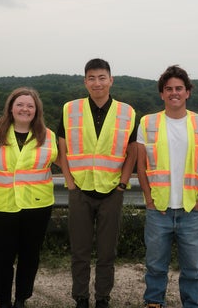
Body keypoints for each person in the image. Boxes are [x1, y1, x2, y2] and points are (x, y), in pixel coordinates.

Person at [57, 58, 137, 308]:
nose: (97, 82)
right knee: (79, 251)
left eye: (102, 77)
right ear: (85, 82)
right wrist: (69, 182)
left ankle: (103, 297)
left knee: (107, 252)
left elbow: (132, 150)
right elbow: (62, 146)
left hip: (112, 190)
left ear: (111, 80)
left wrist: (123, 184)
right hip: (79, 190)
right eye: (91, 78)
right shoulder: (71, 108)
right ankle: (80, 297)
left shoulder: (127, 112)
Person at [137, 65, 198, 308]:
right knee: (155, 266)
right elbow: (141, 166)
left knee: (193, 269)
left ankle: (192, 304)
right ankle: (154, 303)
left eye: (179, 88)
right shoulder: (148, 122)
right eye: (169, 89)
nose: (174, 93)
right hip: (158, 209)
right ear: (162, 94)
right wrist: (149, 200)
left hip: (191, 210)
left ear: (188, 92)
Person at [0, 87, 58, 308]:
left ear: (36, 110)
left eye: (30, 105)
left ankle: (21, 299)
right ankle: (3, 300)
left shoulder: (48, 135)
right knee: (1, 258)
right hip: (2, 204)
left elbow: (60, 162)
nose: (24, 109)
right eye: (20, 104)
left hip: (37, 205)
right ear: (10, 107)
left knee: (30, 256)